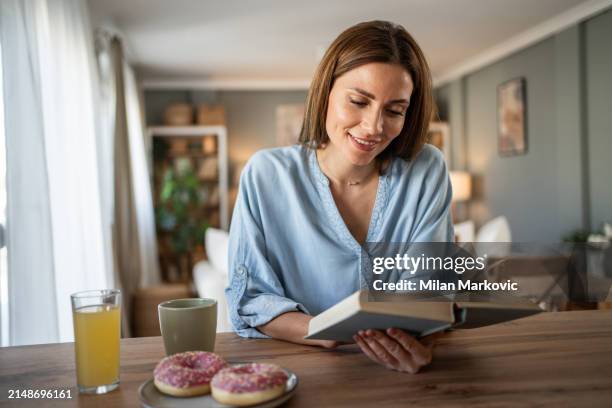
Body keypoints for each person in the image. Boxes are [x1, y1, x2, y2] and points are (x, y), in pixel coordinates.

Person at [225, 20, 453, 374]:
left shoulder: (427, 169)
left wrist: (425, 342)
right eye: (359, 101)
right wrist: (328, 332)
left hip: (405, 378)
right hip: (298, 376)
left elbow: (428, 293)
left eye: (394, 110)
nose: (374, 127)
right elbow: (251, 300)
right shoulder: (265, 175)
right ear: (325, 91)